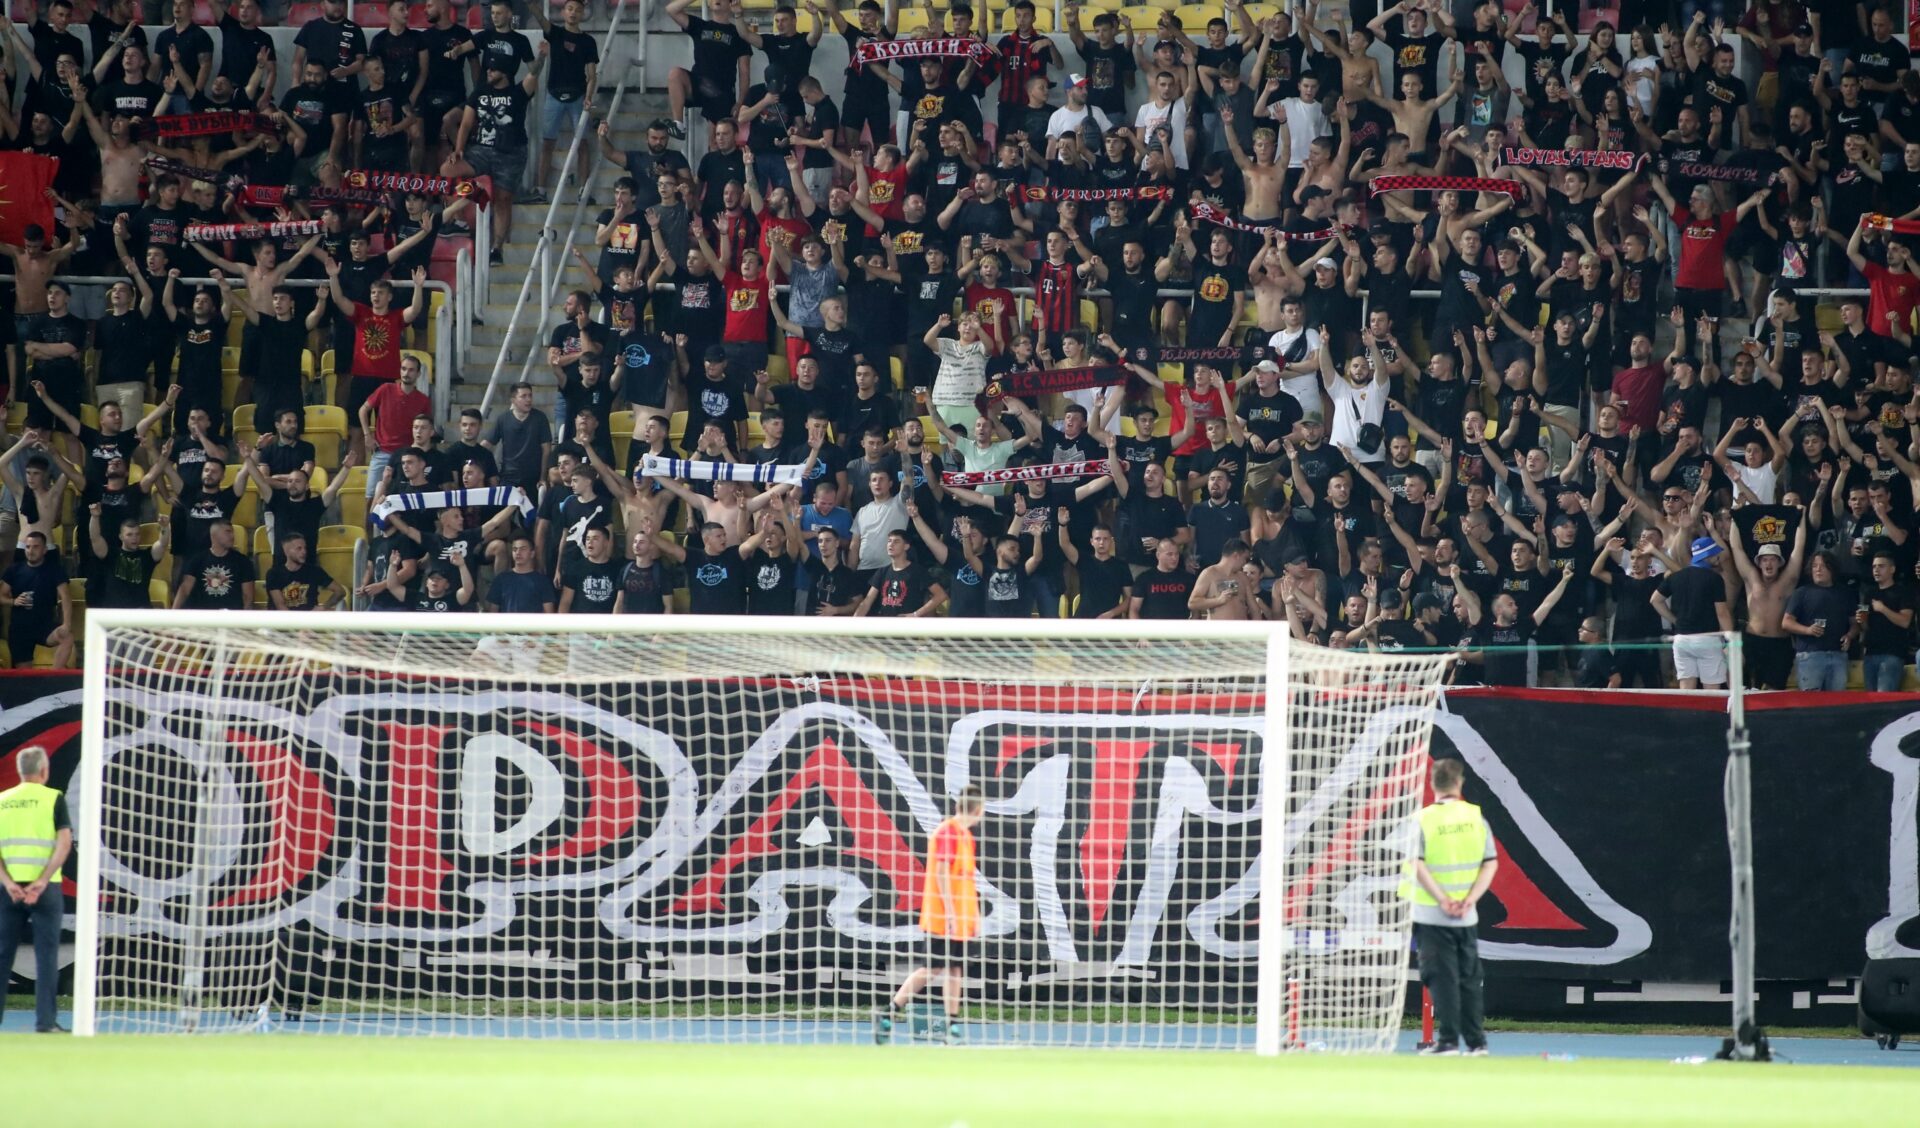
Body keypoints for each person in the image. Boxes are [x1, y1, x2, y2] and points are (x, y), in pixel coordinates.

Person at [877, 784, 985, 1044]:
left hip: (960, 918)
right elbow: (941, 874)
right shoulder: (948, 832)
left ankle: (952, 1025)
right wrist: (950, 913)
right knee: (933, 968)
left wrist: (973, 915)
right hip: (943, 917)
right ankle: (890, 1011)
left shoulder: (966, 837)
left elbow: (965, 881)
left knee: (955, 968)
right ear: (978, 810)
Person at [1403, 757, 1495, 1057]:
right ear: (1459, 782)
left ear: (1433, 783)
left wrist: (1442, 899)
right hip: (1466, 915)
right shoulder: (1475, 818)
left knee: (1441, 978)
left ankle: (1448, 1041)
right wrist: (1470, 899)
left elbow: (1417, 864)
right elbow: (1490, 864)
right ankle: (1477, 1043)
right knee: (1469, 979)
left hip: (1432, 913)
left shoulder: (1423, 820)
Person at [0, 745, 71, 1033]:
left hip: (9, 890)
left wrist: (8, 882)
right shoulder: (53, 798)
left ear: (20, 771)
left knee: (2, 955)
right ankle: (45, 1022)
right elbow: (64, 843)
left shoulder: (3, 800)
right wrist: (41, 881)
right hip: (45, 889)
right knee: (47, 956)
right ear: (44, 770)